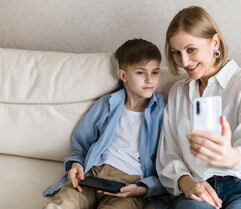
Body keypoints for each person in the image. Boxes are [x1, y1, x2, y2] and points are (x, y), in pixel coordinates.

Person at [156, 6, 241, 209]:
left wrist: (229, 156)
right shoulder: (178, 93)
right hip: (201, 187)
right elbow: (169, 153)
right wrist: (188, 183)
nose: (184, 62)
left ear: (214, 42)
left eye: (191, 50)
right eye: (176, 53)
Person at [43, 38, 169, 209]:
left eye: (154, 72)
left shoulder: (163, 109)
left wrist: (141, 189)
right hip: (92, 174)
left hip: (129, 182)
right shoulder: (107, 104)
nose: (149, 80)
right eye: (141, 73)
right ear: (123, 75)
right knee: (60, 205)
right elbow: (82, 144)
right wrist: (76, 164)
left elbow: (169, 163)